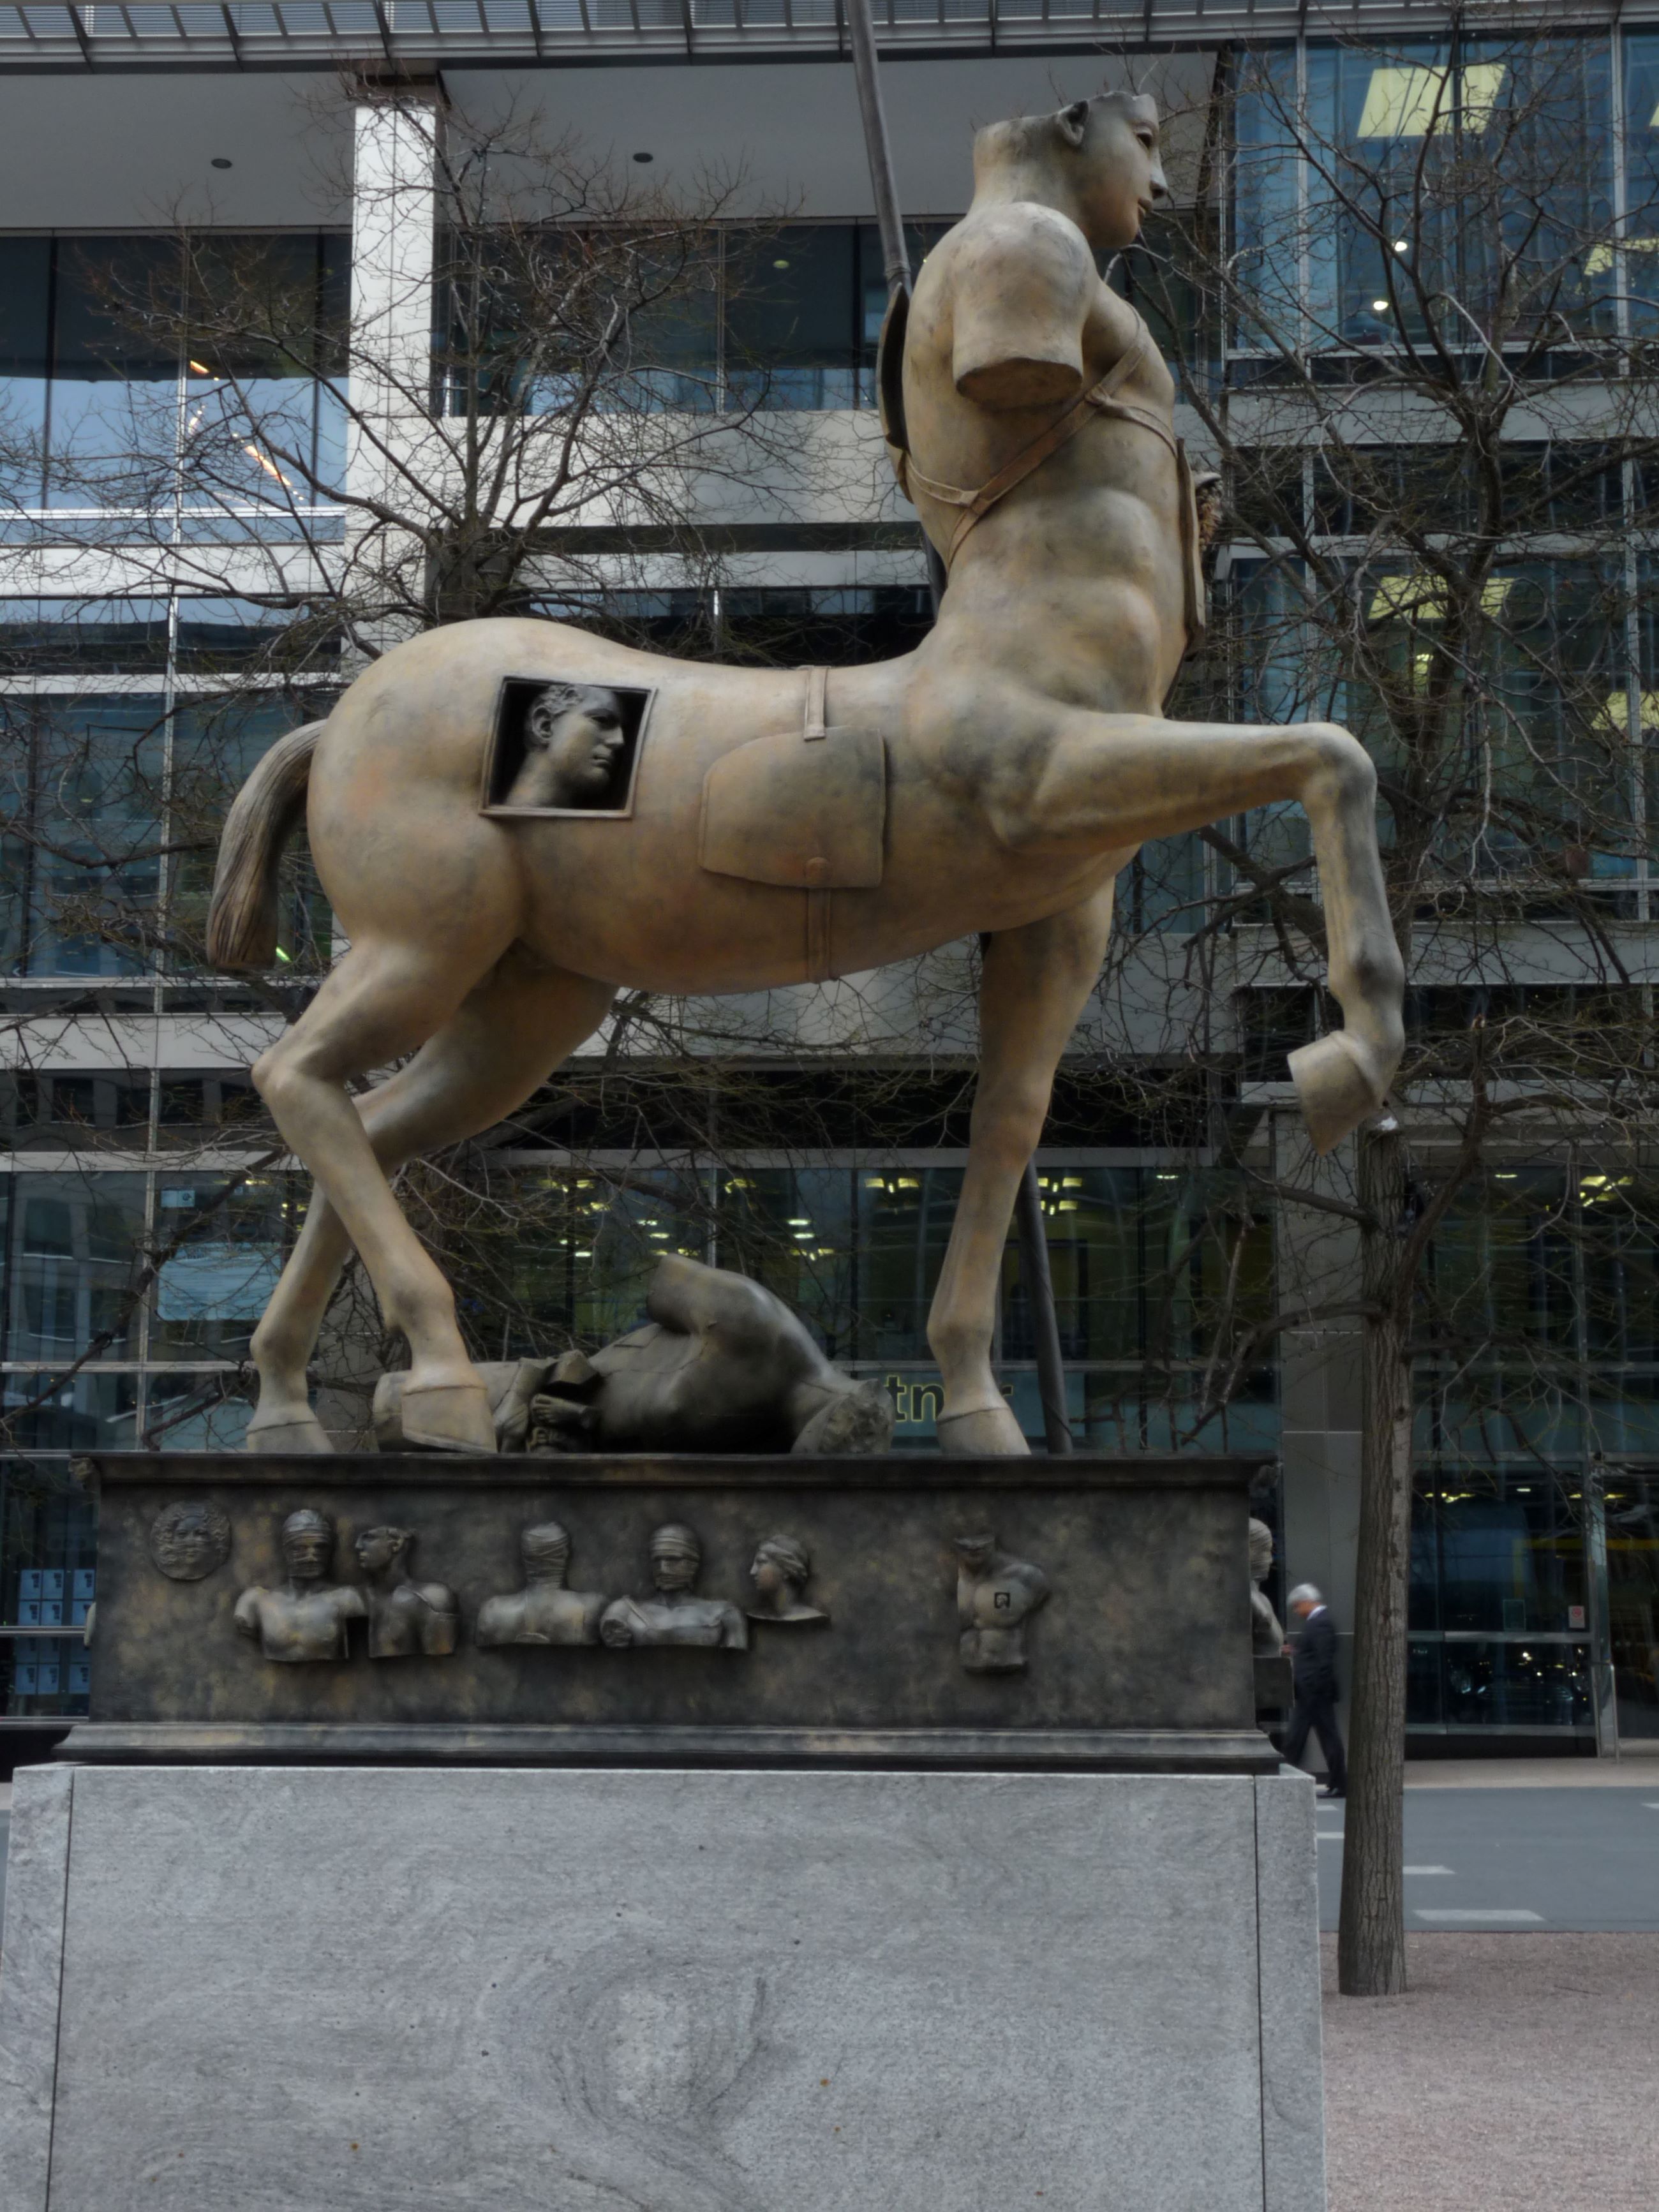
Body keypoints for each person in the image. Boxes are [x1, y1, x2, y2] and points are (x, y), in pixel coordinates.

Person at [1283, 1583, 1346, 1799]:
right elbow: (1315, 1655)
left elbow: (1324, 1660)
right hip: (1313, 1692)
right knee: (1305, 1737)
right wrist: (1296, 1651)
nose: (1296, 1611)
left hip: (1315, 1693)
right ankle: (1337, 1782)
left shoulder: (1320, 1623)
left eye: (1297, 1606)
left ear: (1307, 1602)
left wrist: (1316, 1687)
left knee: (1313, 1737)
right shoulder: (1318, 1623)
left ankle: (1285, 1778)